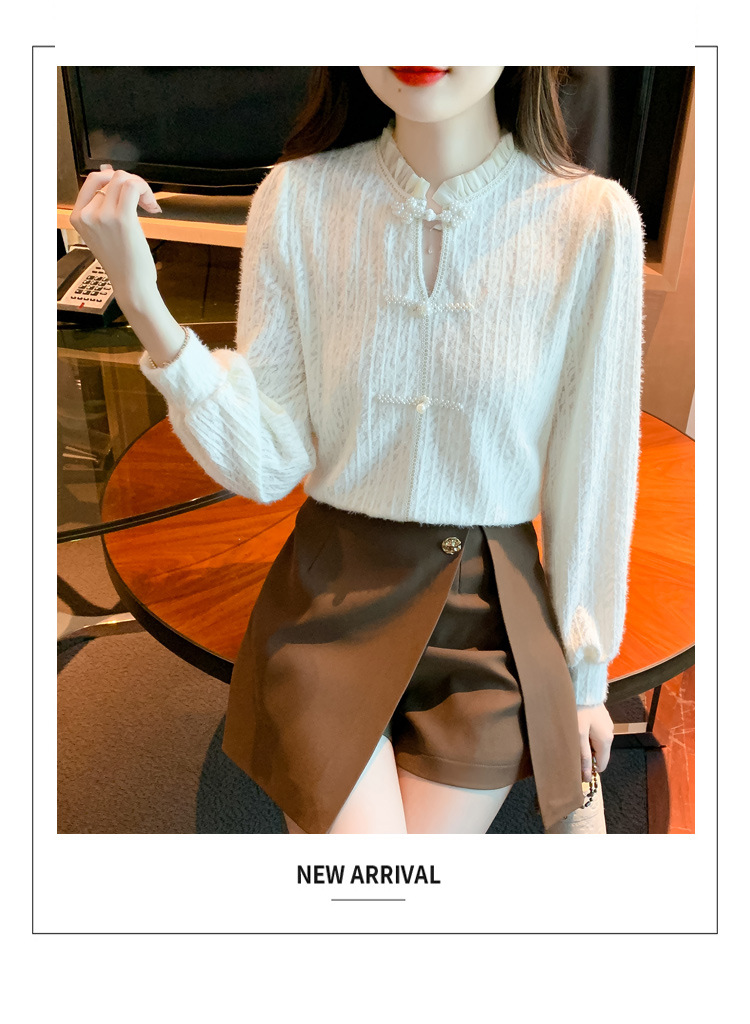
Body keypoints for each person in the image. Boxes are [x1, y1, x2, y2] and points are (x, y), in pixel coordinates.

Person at [69, 66, 645, 835]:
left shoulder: (592, 220)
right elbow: (266, 460)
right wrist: (144, 303)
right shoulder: (296, 199)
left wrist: (584, 678)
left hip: (489, 614)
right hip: (331, 595)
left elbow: (594, 467)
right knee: (369, 885)